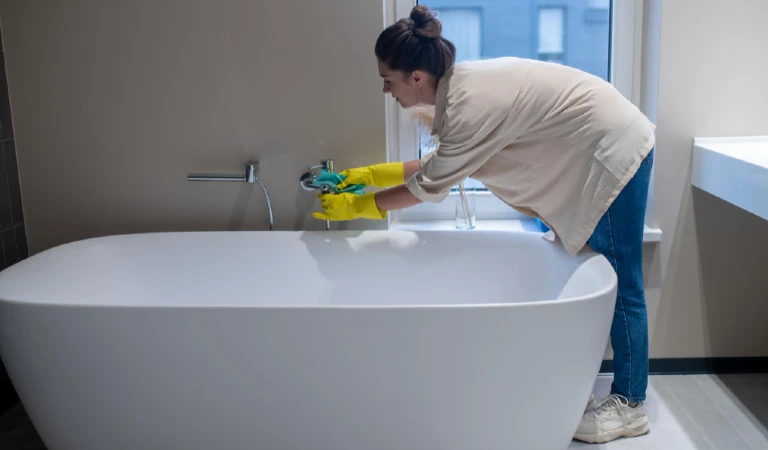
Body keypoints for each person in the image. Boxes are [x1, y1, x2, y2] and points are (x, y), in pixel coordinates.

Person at [313, 5, 655, 444]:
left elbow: (429, 186)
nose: (385, 91)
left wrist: (356, 207)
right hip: (598, 146)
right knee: (597, 269)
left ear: (416, 77)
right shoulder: (461, 92)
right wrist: (363, 177)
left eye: (388, 80)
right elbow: (440, 165)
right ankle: (581, 386)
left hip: (614, 150)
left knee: (621, 278)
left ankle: (630, 404)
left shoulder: (468, 102)